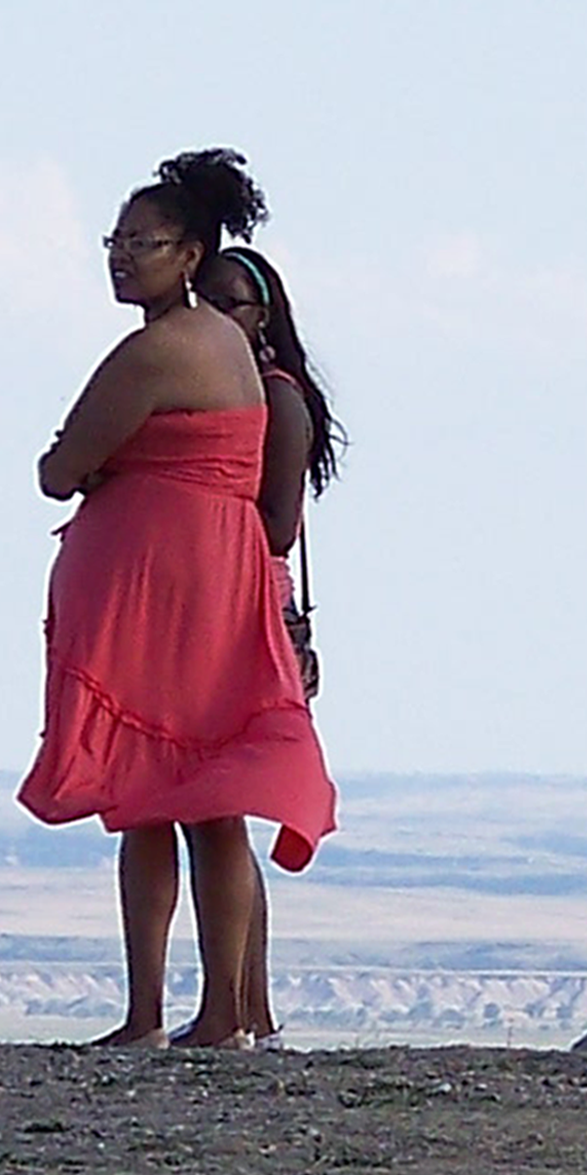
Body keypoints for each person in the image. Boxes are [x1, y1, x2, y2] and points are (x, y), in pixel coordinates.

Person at [19, 147, 334, 1050]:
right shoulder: (226, 348)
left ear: (190, 253)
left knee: (174, 796)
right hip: (205, 583)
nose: (120, 256)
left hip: (169, 597)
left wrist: (93, 463)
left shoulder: (159, 351)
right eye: (113, 240)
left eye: (142, 242)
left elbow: (59, 469)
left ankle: (171, 1016)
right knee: (190, 797)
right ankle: (211, 1016)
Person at [199, 243, 346, 1039]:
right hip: (227, 599)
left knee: (226, 815)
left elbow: (277, 527)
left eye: (233, 304)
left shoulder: (277, 400)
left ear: (263, 318)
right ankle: (244, 1008)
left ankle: (243, 1008)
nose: (217, 318)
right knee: (221, 818)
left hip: (249, 605)